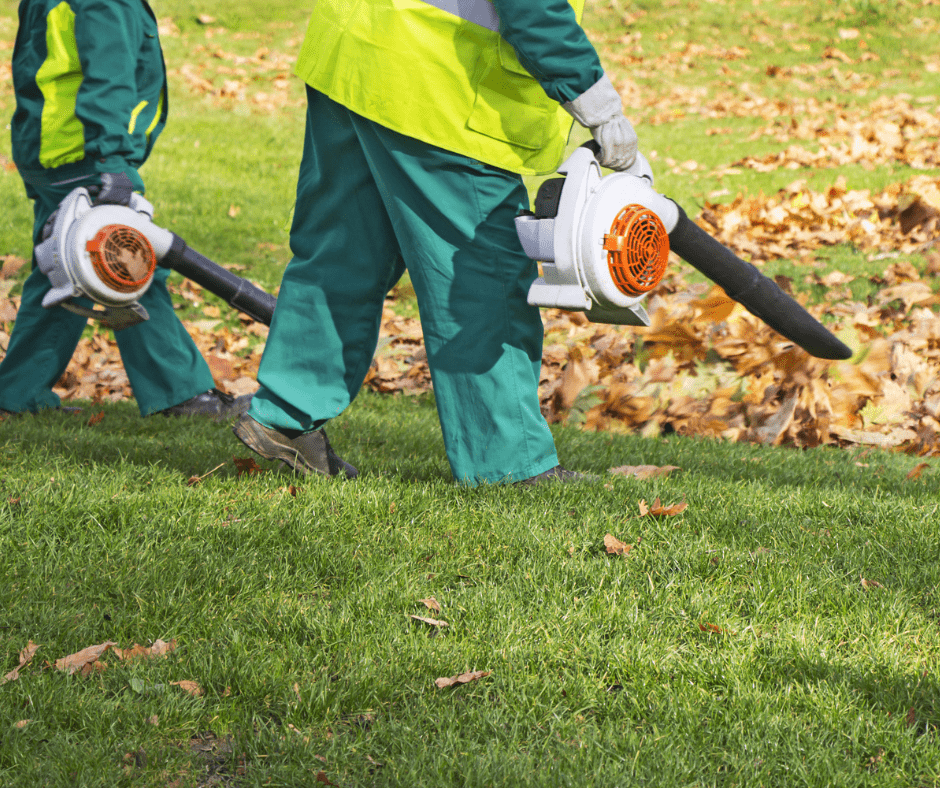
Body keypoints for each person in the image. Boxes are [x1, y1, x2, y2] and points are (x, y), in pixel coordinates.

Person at [233, 0, 639, 484]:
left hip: (352, 51)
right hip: (439, 84)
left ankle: (285, 412)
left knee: (343, 252)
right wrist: (598, 105)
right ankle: (507, 461)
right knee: (480, 275)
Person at [0, 0, 248, 420]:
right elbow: (108, 77)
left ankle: (16, 394)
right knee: (127, 261)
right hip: (86, 154)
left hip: (54, 146)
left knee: (59, 269)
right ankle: (180, 394)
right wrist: (111, 160)